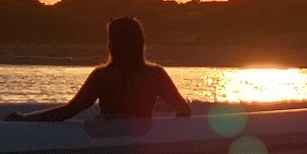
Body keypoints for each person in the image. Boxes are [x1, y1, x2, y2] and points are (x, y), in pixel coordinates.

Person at [10, 16, 190, 122]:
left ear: (112, 43)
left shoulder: (102, 75)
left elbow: (70, 110)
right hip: (140, 141)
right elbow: (183, 109)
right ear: (140, 42)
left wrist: (24, 119)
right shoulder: (155, 74)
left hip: (106, 138)